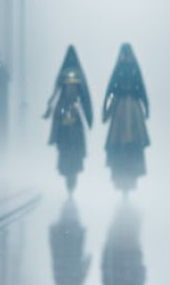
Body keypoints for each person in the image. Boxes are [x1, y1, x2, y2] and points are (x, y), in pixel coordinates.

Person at [43, 45, 93, 194]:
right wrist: (89, 117)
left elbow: (57, 93)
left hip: (65, 111)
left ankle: (69, 173)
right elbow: (84, 97)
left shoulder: (64, 73)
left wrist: (49, 108)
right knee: (70, 144)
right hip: (71, 113)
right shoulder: (77, 74)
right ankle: (71, 174)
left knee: (67, 144)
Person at [102, 43, 150, 193]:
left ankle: (129, 174)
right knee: (120, 143)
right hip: (121, 110)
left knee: (131, 143)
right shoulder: (119, 70)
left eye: (127, 54)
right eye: (124, 54)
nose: (126, 57)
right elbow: (110, 90)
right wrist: (106, 109)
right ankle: (121, 175)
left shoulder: (133, 69)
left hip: (132, 111)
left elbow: (141, 89)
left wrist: (146, 107)